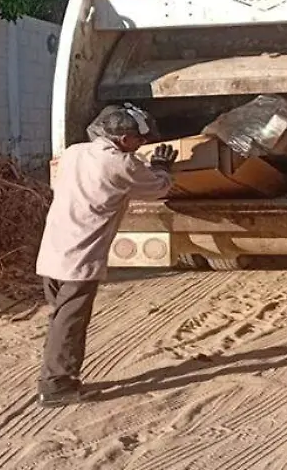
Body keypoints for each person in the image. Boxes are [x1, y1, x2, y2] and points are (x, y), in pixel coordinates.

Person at [35, 104, 179, 407]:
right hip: (80, 257)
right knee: (70, 322)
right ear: (124, 139)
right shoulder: (122, 164)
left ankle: (57, 376)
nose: (142, 144)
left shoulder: (74, 152)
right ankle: (56, 385)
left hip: (52, 250)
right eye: (139, 139)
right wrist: (162, 167)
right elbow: (158, 188)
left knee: (60, 317)